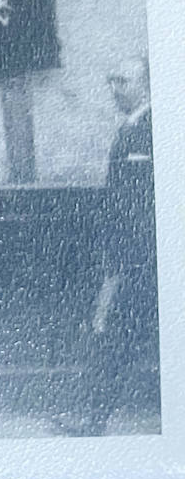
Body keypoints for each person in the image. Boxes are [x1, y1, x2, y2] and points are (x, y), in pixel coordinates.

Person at [54, 54, 158, 436]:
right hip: (133, 255)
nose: (115, 89)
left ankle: (93, 419)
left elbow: (143, 202)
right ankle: (93, 417)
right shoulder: (130, 129)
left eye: (124, 81)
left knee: (115, 333)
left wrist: (122, 259)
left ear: (146, 84)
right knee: (119, 335)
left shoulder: (153, 128)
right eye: (111, 81)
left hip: (144, 257)